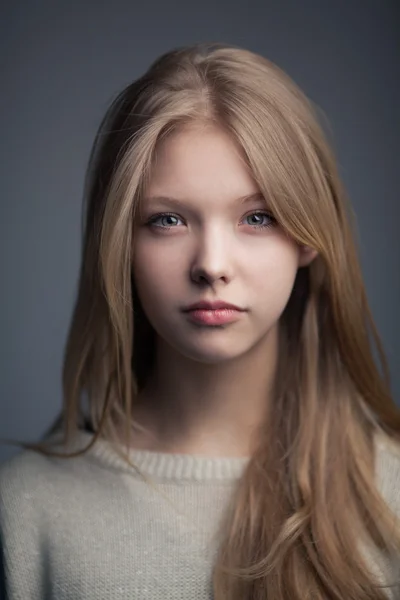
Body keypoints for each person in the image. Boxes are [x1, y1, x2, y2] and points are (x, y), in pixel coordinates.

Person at [0, 42, 400, 600]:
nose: (212, 264)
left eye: (257, 217)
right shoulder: (24, 510)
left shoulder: (391, 497)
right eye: (167, 219)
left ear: (309, 237)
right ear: (120, 241)